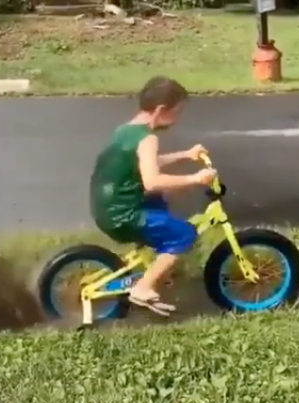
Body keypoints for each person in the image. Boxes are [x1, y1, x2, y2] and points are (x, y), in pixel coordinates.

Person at [90, 76, 217, 317]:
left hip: (108, 206)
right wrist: (195, 179)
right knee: (183, 233)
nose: (177, 119)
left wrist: (186, 155)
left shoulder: (126, 130)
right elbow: (152, 180)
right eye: (176, 113)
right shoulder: (148, 138)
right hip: (123, 214)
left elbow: (142, 164)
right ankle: (143, 287)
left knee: (159, 204)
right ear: (161, 110)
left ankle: (152, 257)